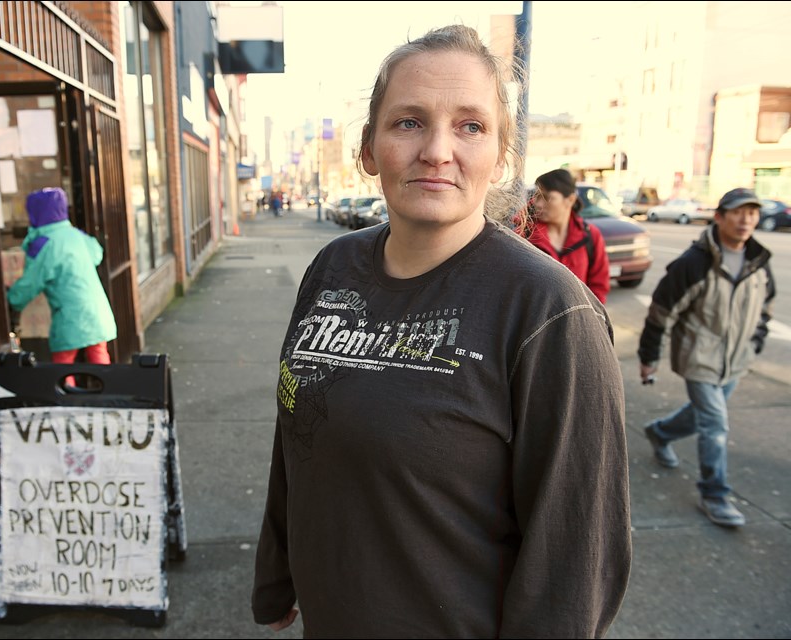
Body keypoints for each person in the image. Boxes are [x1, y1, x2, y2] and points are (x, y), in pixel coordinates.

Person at [251, 25, 631, 638]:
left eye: (470, 126)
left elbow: (576, 556)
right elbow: (298, 430)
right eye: (408, 122)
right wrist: (275, 574)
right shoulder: (332, 267)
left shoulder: (549, 312)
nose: (436, 149)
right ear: (369, 149)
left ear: (501, 155)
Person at [638, 187, 775, 528]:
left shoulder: (759, 260)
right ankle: (714, 494)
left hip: (735, 360)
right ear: (720, 217)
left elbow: (765, 308)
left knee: (701, 416)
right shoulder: (694, 263)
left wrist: (754, 343)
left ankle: (661, 433)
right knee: (715, 423)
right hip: (699, 359)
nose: (746, 220)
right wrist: (649, 356)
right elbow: (661, 312)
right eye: (738, 212)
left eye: (752, 213)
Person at [7, 187, 117, 368]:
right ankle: (109, 392)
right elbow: (97, 254)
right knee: (100, 358)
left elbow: (31, 283)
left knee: (63, 365)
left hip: (70, 316)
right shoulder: (75, 235)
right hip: (97, 311)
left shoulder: (45, 244)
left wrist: (11, 299)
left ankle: (67, 395)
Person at [518, 168, 611, 303]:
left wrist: (590, 319)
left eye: (546, 197)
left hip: (578, 320)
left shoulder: (590, 235)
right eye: (537, 196)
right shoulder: (524, 234)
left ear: (570, 200)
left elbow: (599, 286)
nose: (538, 204)